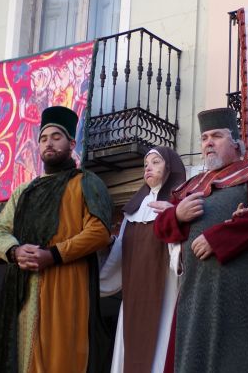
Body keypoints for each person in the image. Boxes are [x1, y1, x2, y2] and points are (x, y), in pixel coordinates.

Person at [154, 107, 248, 373]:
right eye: (204, 138)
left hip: (237, 287)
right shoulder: (191, 186)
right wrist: (177, 214)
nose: (208, 142)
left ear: (236, 143)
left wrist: (217, 239)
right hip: (195, 290)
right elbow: (161, 229)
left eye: (217, 136)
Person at [0, 106, 113, 373]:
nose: (49, 143)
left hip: (67, 284)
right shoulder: (23, 191)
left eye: (56, 137)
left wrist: (53, 255)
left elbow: (99, 232)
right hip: (23, 288)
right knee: (22, 359)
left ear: (71, 143)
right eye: (44, 138)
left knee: (63, 358)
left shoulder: (86, 183)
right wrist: (14, 251)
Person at [99, 146, 186, 373]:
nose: (148, 167)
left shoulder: (179, 206)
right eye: (146, 164)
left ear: (170, 168)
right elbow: (120, 256)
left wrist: (174, 220)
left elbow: (183, 254)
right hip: (134, 297)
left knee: (162, 348)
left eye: (155, 162)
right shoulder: (132, 212)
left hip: (166, 291)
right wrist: (108, 245)